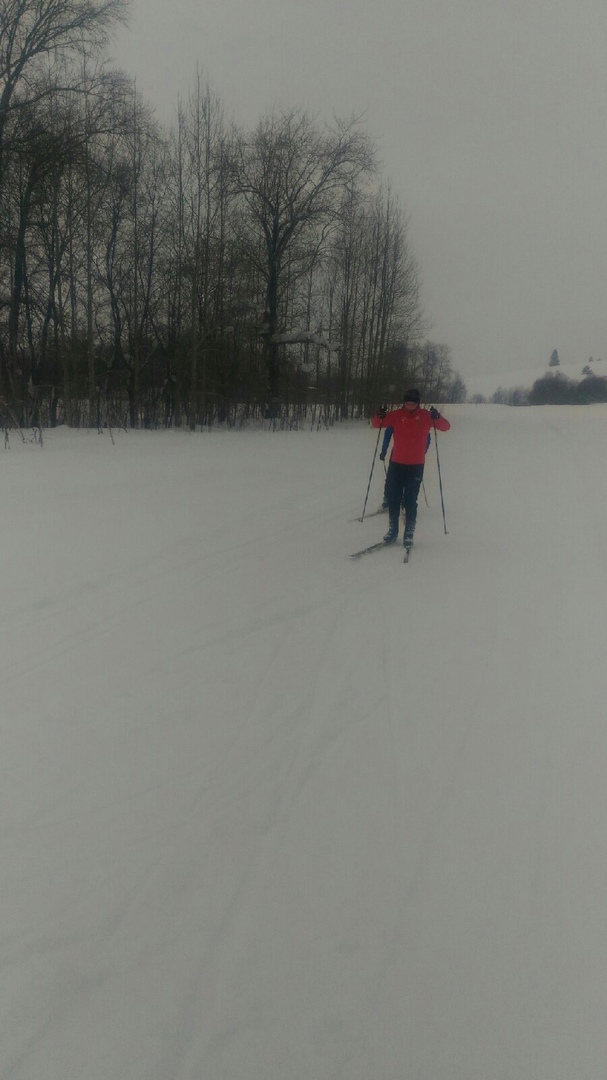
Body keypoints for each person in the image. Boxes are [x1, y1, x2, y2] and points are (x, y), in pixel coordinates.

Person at [372, 389, 451, 547]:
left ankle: (409, 533)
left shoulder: (425, 416)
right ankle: (392, 531)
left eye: (412, 403)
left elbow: (445, 427)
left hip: (415, 466)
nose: (409, 406)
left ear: (417, 403)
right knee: (393, 499)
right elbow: (376, 424)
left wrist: (438, 417)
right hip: (396, 464)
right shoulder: (396, 415)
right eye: (407, 403)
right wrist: (379, 415)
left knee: (410, 500)